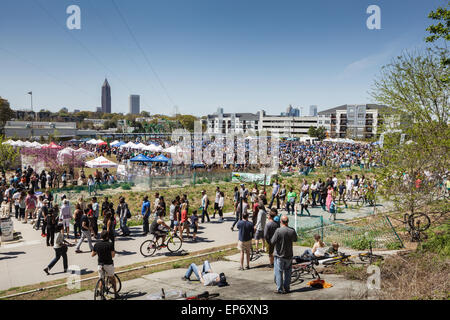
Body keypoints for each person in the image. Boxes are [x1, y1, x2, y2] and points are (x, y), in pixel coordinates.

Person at [270, 215, 297, 294]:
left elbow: (272, 241)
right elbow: (295, 239)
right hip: (289, 255)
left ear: (281, 222)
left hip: (279, 255)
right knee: (288, 273)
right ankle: (287, 288)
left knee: (279, 272)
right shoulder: (292, 230)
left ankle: (280, 289)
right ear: (288, 222)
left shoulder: (278, 231)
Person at [92, 230, 119, 299]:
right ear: (107, 237)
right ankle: (115, 293)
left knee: (101, 279)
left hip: (100, 264)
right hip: (108, 264)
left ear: (101, 236)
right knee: (112, 278)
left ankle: (101, 293)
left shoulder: (96, 244)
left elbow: (92, 254)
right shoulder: (110, 244)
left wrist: (98, 252)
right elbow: (113, 255)